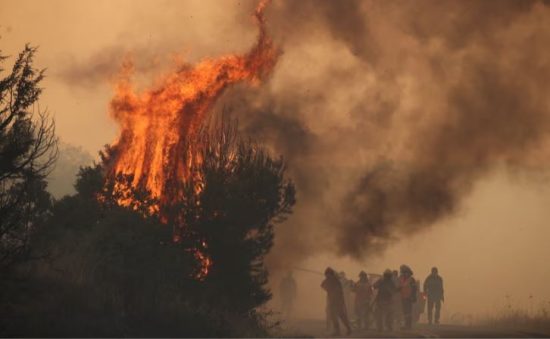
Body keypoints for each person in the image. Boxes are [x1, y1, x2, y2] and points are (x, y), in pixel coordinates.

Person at [322, 267, 352, 336]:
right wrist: (327, 280)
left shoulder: (336, 281)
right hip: (332, 301)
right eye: (326, 274)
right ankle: (337, 331)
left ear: (331, 274)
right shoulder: (329, 280)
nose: (326, 275)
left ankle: (348, 328)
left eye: (328, 274)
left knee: (341, 315)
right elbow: (323, 286)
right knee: (333, 315)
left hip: (338, 301)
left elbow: (337, 292)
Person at [399, 264, 417, 330]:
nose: (403, 274)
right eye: (402, 272)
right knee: (405, 311)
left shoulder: (411, 280)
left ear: (408, 273)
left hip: (409, 298)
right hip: (403, 297)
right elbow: (399, 287)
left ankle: (408, 325)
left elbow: (414, 289)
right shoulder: (402, 279)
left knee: (408, 311)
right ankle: (406, 324)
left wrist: (413, 297)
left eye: (404, 272)